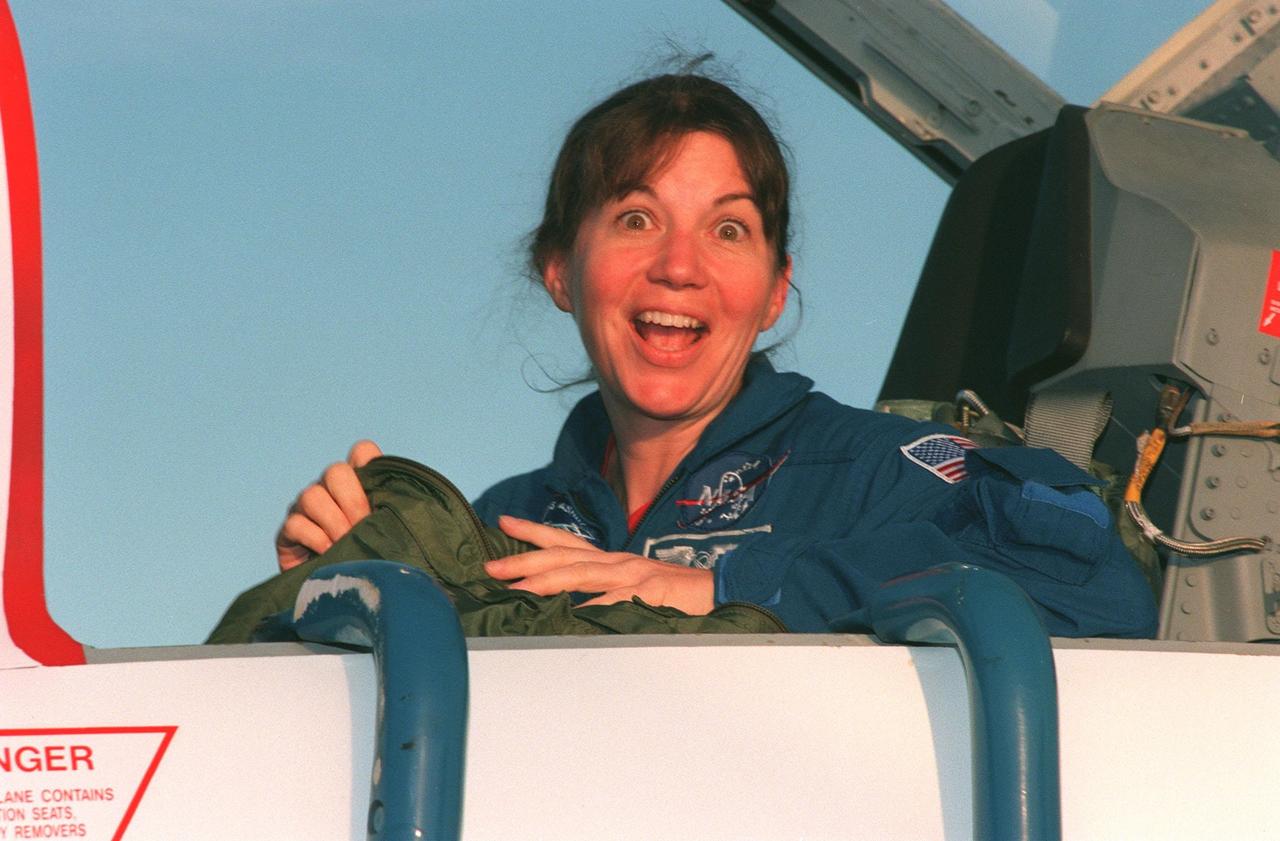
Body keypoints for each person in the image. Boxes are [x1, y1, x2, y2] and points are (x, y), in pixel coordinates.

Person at [273, 72, 1157, 637]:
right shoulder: (501, 528)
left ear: (775, 291)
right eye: (635, 218)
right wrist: (325, 596)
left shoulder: (867, 472)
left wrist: (722, 584)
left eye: (728, 229)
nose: (680, 266)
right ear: (558, 270)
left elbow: (1091, 580)